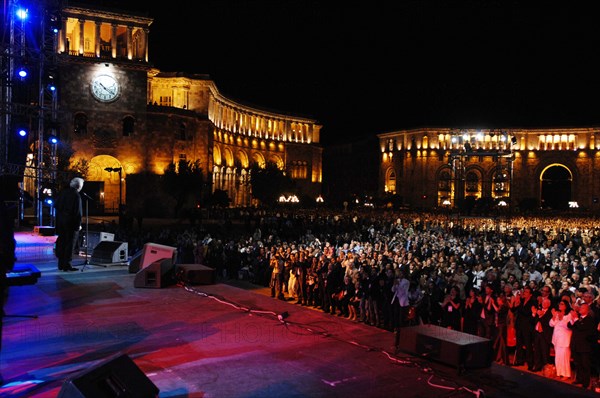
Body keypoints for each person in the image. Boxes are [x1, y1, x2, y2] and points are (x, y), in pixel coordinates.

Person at [55, 177, 84, 271]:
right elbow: (78, 213)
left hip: (61, 222)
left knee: (61, 242)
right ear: (79, 186)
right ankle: (67, 264)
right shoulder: (76, 195)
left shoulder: (63, 192)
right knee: (70, 244)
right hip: (71, 223)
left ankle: (60, 264)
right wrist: (78, 225)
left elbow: (56, 205)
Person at [568, 302, 597, 389]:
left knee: (585, 365)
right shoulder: (578, 319)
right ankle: (579, 379)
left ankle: (585, 382)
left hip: (585, 346)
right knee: (578, 363)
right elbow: (569, 326)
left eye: (583, 308)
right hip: (576, 345)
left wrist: (576, 319)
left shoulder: (590, 319)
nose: (580, 309)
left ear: (587, 311)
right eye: (580, 308)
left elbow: (582, 328)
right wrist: (573, 319)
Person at [549, 300, 573, 379]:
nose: (560, 305)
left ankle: (566, 374)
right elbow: (551, 324)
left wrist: (561, 318)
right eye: (559, 303)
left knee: (564, 358)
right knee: (558, 357)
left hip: (565, 339)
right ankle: (559, 373)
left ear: (566, 306)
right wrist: (554, 316)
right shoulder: (557, 313)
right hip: (557, 339)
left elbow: (568, 326)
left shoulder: (569, 315)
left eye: (562, 304)